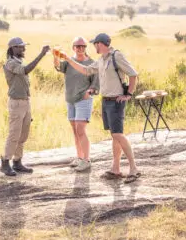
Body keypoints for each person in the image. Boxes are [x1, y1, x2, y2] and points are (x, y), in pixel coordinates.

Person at [60, 33, 141, 183]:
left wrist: (128, 94)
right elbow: (85, 70)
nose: (93, 47)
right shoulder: (101, 60)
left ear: (100, 44)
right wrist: (67, 59)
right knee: (114, 135)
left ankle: (134, 169)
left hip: (116, 101)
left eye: (94, 44)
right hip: (106, 101)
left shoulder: (116, 56)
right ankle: (115, 169)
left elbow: (133, 74)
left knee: (118, 135)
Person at [1, 37, 50, 176]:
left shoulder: (18, 61)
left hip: (25, 101)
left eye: (23, 46)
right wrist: (41, 54)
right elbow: (26, 70)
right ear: (13, 48)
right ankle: (5, 163)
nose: (23, 49)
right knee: (14, 134)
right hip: (16, 103)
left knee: (23, 134)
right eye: (21, 47)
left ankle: (17, 162)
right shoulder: (10, 63)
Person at [54, 37, 99, 172]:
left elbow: (96, 83)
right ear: (73, 47)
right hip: (70, 99)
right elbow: (58, 67)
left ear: (86, 48)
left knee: (80, 130)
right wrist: (55, 56)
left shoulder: (92, 63)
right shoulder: (69, 62)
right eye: (77, 46)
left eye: (83, 46)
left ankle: (87, 160)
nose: (80, 49)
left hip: (83, 99)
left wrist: (89, 92)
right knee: (75, 131)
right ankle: (79, 157)